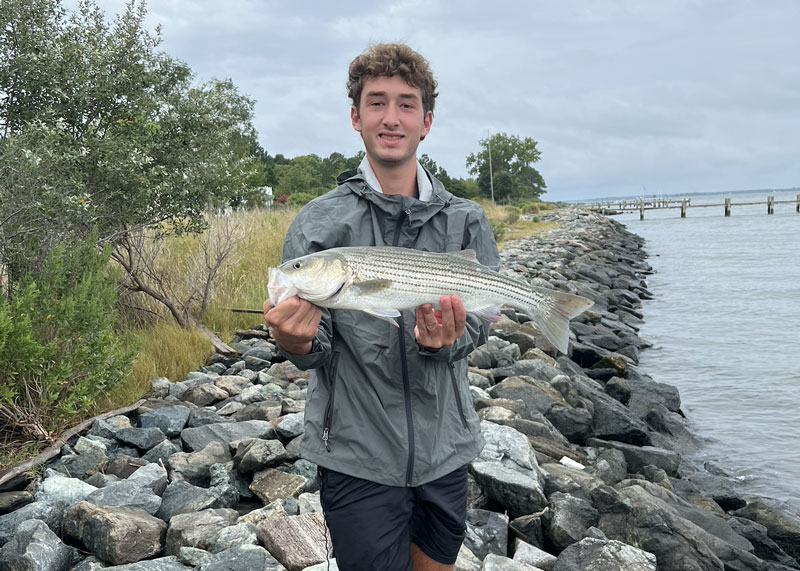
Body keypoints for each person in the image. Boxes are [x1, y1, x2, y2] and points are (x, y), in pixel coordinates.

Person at [263, 43, 501, 571]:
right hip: (357, 454)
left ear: (426, 122)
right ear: (355, 117)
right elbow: (316, 348)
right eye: (376, 103)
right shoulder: (317, 223)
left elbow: (482, 321)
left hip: (446, 445)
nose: (391, 118)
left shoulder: (466, 220)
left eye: (406, 104)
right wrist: (294, 340)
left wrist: (448, 340)